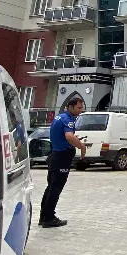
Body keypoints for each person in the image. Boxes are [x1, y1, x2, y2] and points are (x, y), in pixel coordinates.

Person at [40, 97, 87, 228]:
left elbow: (63, 136)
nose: (80, 111)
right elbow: (69, 136)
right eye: (78, 108)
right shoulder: (68, 119)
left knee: (50, 187)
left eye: (82, 108)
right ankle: (49, 218)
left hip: (55, 155)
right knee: (56, 188)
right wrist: (81, 146)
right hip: (62, 157)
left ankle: (44, 216)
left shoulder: (59, 117)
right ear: (70, 107)